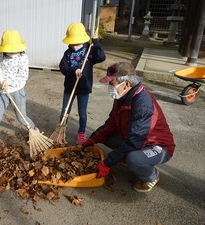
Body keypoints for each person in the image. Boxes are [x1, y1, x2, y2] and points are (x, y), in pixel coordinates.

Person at [82, 62, 176, 192]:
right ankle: (126, 157)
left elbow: (135, 140)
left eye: (112, 84)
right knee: (107, 137)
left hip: (158, 146)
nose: (110, 88)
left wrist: (108, 162)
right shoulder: (122, 97)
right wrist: (92, 140)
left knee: (134, 159)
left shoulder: (143, 104)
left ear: (126, 83)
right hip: (136, 139)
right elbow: (111, 124)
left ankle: (151, 175)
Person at [0, 30, 39, 152]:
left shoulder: (22, 58)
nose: (9, 52)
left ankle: (35, 130)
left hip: (17, 92)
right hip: (1, 92)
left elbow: (23, 77)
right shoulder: (3, 54)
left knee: (21, 118)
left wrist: (9, 81)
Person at [59, 22, 106, 144]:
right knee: (65, 110)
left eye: (76, 41)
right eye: (72, 41)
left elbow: (101, 57)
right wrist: (74, 70)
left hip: (84, 87)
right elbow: (62, 67)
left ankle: (81, 132)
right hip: (69, 87)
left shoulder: (88, 51)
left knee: (82, 112)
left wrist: (96, 42)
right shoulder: (68, 53)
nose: (74, 44)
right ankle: (61, 131)